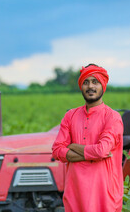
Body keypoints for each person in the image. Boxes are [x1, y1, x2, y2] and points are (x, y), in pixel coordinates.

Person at [52, 64, 124, 212]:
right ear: (81, 86)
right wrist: (93, 154)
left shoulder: (112, 117)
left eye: (95, 82)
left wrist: (72, 146)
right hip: (75, 194)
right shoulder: (70, 115)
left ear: (103, 86)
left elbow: (101, 151)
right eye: (86, 82)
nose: (90, 86)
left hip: (103, 196)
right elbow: (57, 150)